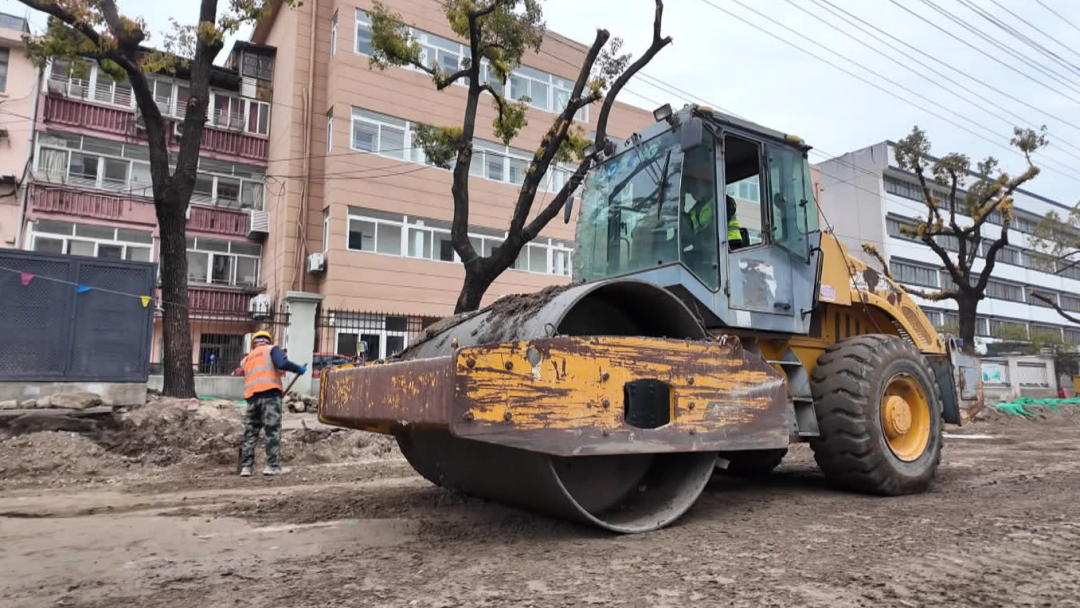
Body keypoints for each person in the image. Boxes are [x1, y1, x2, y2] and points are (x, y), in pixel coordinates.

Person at [239, 330, 306, 477]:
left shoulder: (247, 358)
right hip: (270, 396)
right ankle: (272, 466)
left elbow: (243, 371)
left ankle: (246, 468)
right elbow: (282, 362)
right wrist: (298, 369)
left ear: (254, 343)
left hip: (251, 399)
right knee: (272, 431)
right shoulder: (271, 350)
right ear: (267, 340)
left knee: (250, 433)